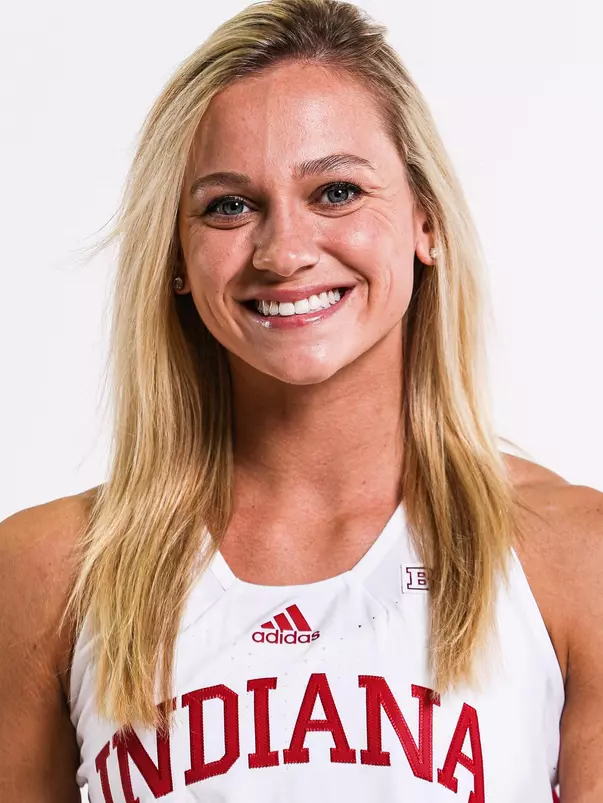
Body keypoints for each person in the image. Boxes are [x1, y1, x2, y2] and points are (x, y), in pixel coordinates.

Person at [0, 0, 600, 800]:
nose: (283, 252)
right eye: (228, 205)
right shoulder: (48, 572)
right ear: (177, 255)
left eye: (337, 191)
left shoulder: (569, 558)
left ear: (424, 220)